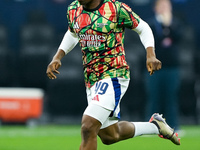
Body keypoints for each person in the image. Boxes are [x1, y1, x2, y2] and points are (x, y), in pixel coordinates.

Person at [46, 0, 180, 149]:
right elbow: (73, 32)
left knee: (88, 126)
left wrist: (150, 54)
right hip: (91, 78)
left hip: (113, 74)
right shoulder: (73, 8)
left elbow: (143, 27)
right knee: (110, 135)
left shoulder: (115, 8)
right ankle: (156, 126)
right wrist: (58, 56)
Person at [144, 0, 182, 130]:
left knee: (171, 97)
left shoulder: (176, 23)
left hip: (171, 66)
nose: (165, 8)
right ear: (155, 8)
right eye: (162, 6)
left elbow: (178, 37)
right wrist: (163, 26)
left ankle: (173, 126)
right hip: (154, 68)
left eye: (167, 6)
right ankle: (150, 126)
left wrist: (168, 25)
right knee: (154, 97)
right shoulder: (150, 24)